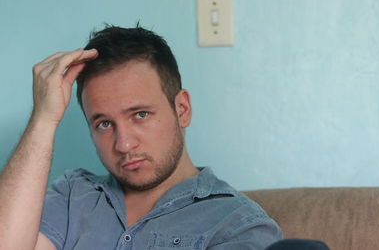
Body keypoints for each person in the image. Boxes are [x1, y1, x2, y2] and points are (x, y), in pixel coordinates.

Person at [0, 25, 282, 249]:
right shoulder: (73, 195)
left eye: (140, 115)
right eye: (104, 124)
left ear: (182, 109)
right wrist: (43, 119)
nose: (124, 144)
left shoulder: (239, 225)